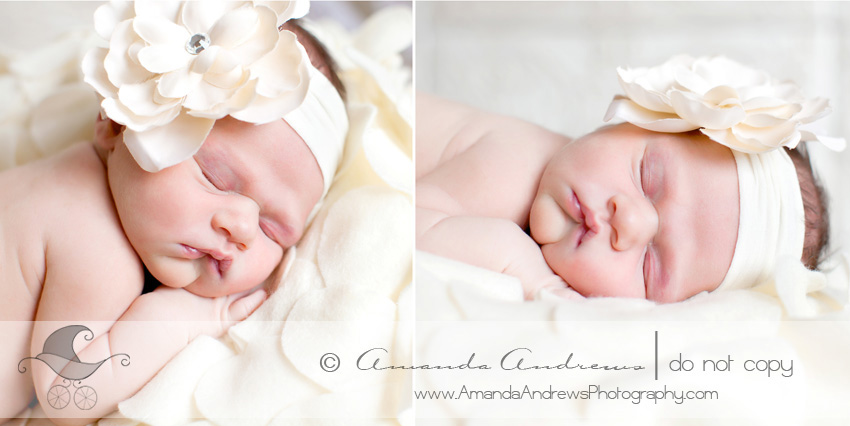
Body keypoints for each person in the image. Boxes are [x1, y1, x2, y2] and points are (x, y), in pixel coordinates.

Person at [0, 2, 348, 424]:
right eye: (215, 178)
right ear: (116, 124)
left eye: (274, 230)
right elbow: (67, 393)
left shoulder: (57, 179)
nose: (240, 227)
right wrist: (186, 318)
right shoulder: (96, 245)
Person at [417, 55, 839, 304]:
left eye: (652, 265)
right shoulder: (516, 165)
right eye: (648, 176)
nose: (630, 223)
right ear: (639, 120)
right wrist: (524, 271)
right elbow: (396, 222)